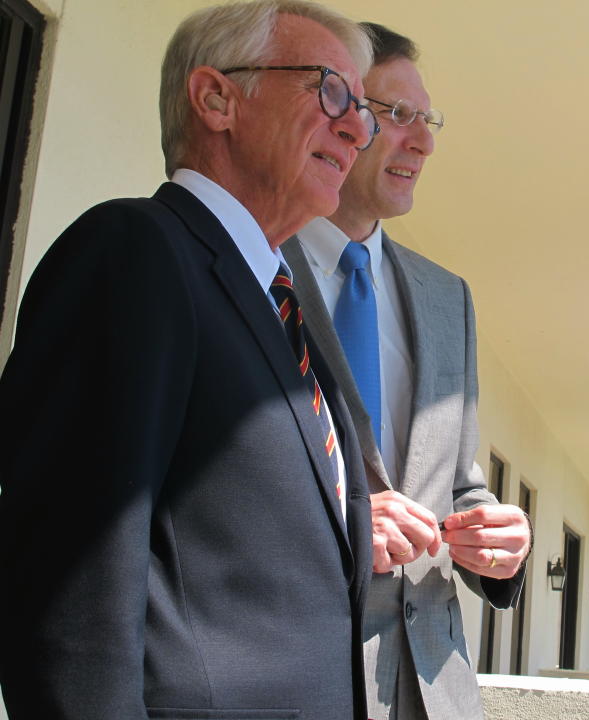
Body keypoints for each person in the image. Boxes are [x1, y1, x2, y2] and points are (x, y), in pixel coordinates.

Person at [0, 3, 378, 719]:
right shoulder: (133, 253)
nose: (358, 129)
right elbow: (70, 597)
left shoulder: (284, 307)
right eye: (332, 91)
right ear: (216, 99)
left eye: (364, 111)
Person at [280, 23, 532, 720]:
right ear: (340, 118)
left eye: (429, 121)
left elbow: (459, 482)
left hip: (431, 690)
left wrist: (498, 537)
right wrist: (350, 519)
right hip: (296, 674)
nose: (422, 142)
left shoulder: (448, 298)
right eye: (398, 116)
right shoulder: (256, 262)